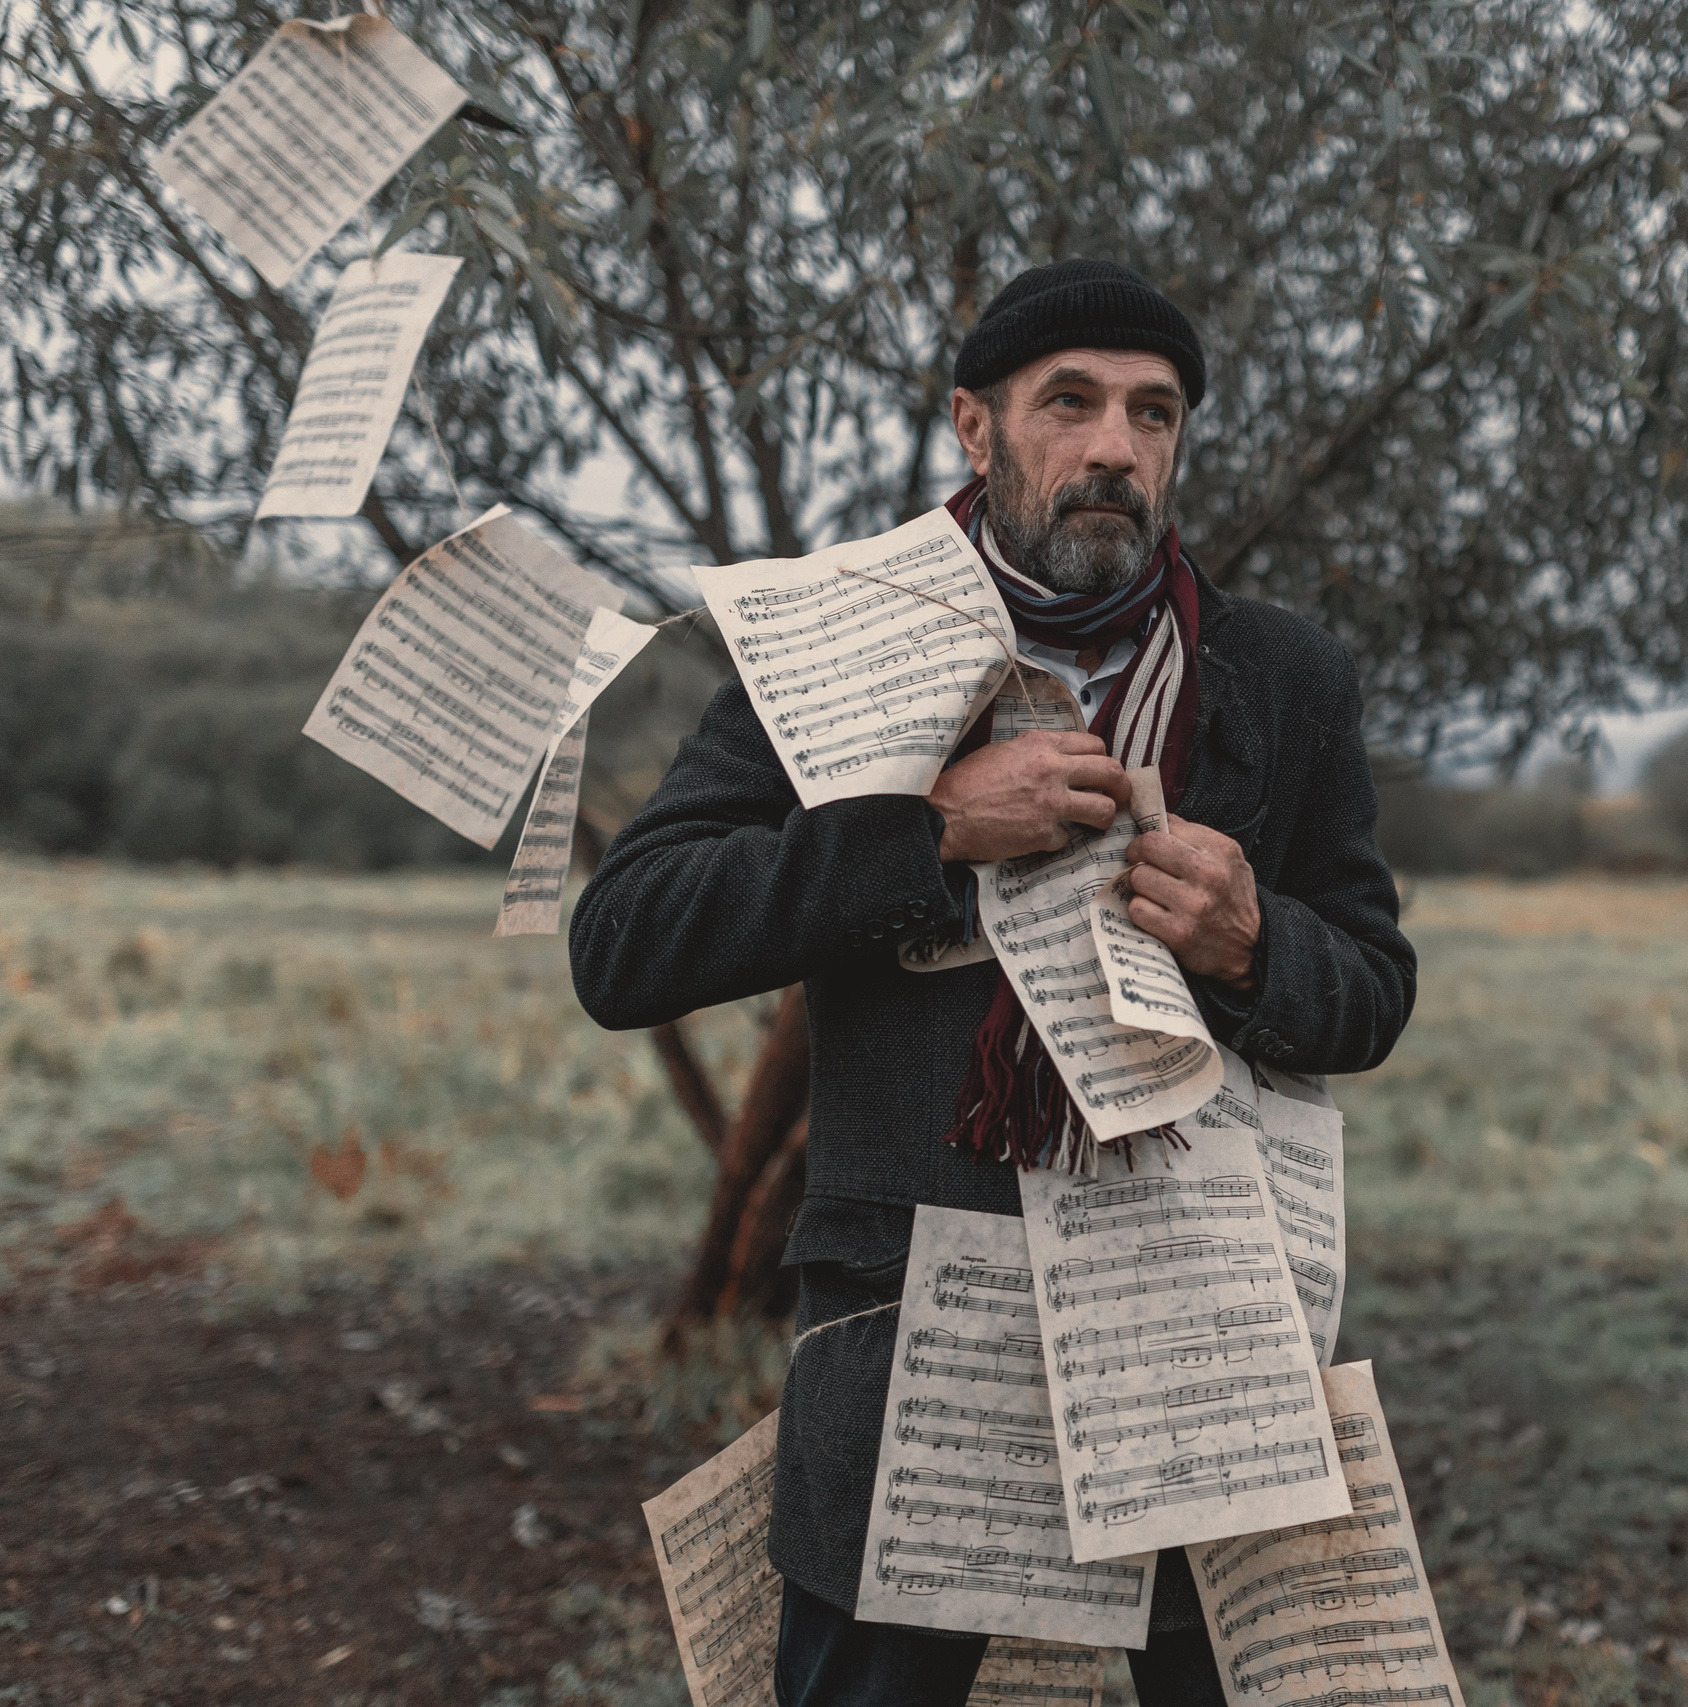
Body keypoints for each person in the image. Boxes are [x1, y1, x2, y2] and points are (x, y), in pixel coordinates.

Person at [566, 257, 1418, 1707]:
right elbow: (627, 942)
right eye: (1067, 402)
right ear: (974, 426)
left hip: (1200, 1320)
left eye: (1152, 415)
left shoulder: (1284, 676)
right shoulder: (835, 650)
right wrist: (930, 833)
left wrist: (1255, 941)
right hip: (913, 1330)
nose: (1111, 446)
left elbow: (1372, 990)